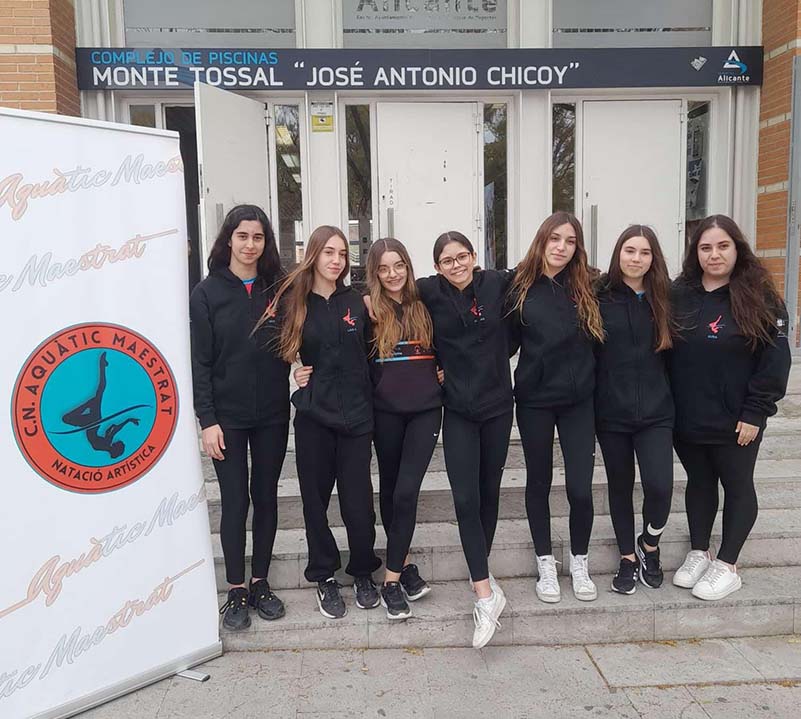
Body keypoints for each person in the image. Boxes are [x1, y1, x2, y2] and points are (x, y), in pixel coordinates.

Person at [670, 214, 791, 600]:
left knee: (737, 485)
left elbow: (775, 361)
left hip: (738, 419)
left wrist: (756, 411)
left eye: (723, 246)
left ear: (737, 249)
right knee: (699, 483)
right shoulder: (679, 293)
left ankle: (727, 564)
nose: (714, 255)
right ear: (695, 253)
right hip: (688, 416)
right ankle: (699, 551)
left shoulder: (760, 296)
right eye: (706, 248)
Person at [267, 225, 382, 619]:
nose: (336, 260)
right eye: (329, 252)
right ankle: (324, 576)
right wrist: (295, 379)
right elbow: (276, 357)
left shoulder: (359, 302)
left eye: (342, 253)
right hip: (314, 418)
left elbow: (375, 354)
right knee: (315, 503)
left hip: (357, 418)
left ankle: (363, 571)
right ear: (313, 255)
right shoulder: (294, 304)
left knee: (359, 503)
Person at [190, 204, 289, 631]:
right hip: (226, 418)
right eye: (243, 236)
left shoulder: (280, 290)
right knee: (235, 501)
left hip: (272, 414)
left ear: (267, 242)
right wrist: (206, 420)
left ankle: (260, 581)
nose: (250, 245)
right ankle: (235, 589)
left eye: (258, 237)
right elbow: (200, 362)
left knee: (265, 497)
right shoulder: (207, 293)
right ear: (228, 239)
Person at [417, 231, 514, 648]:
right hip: (456, 409)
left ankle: (481, 571)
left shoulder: (497, 283)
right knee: (464, 498)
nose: (456, 265)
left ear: (474, 256)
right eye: (447, 260)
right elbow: (385, 294)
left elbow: (544, 273)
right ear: (437, 266)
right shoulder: (428, 292)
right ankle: (485, 595)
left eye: (462, 257)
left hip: (498, 406)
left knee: (488, 492)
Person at [508, 211, 604, 604]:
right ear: (542, 240)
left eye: (570, 241)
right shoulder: (519, 285)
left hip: (579, 401)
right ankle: (545, 562)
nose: (561, 248)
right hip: (535, 401)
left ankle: (579, 561)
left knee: (580, 487)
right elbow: (500, 341)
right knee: (539, 482)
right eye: (555, 239)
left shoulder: (591, 284)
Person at [365, 238, 443, 620]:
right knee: (392, 490)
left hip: (426, 410)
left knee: (407, 491)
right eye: (384, 268)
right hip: (386, 413)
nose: (392, 274)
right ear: (375, 274)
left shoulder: (427, 301)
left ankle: (391, 581)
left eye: (398, 266)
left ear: (409, 267)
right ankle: (405, 562)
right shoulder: (368, 310)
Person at [594, 226, 675, 594]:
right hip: (612, 412)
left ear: (653, 258)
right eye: (630, 250)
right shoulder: (599, 296)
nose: (636, 259)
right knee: (620, 486)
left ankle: (650, 545)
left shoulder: (667, 297)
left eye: (644, 252)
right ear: (618, 253)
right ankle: (627, 556)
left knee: (660, 486)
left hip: (657, 412)